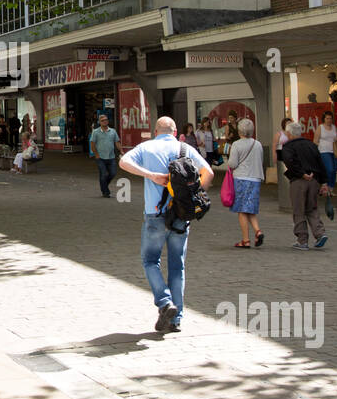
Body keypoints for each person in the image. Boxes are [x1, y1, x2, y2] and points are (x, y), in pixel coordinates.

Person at [118, 117, 214, 333]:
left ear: (155, 131)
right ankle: (175, 319)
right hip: (181, 215)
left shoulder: (147, 147)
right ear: (175, 131)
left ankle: (164, 301)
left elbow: (123, 162)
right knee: (177, 266)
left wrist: (150, 175)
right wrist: (195, 195)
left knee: (150, 261)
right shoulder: (185, 148)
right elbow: (209, 172)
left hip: (155, 214)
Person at [279, 122, 328, 251]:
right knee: (312, 208)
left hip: (299, 181)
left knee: (298, 209)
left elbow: (290, 162)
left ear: (289, 133)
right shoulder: (311, 145)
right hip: (314, 180)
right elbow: (320, 163)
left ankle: (302, 240)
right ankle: (320, 233)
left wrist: (301, 174)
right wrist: (324, 182)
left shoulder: (288, 147)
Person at [228, 118, 265, 248]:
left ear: (239, 131)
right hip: (255, 178)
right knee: (250, 208)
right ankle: (257, 231)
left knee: (242, 210)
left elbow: (232, 163)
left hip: (241, 178)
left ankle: (245, 240)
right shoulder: (258, 144)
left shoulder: (237, 145)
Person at [88, 113, 121, 198]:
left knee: (113, 173)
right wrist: (96, 155)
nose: (105, 122)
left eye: (106, 120)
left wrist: (121, 151)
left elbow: (117, 142)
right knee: (103, 174)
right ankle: (105, 192)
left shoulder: (113, 131)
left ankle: (104, 185)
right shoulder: (95, 132)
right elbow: (92, 144)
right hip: (100, 158)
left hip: (111, 157)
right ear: (99, 122)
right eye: (102, 120)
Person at [316, 110, 337, 195]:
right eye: (327, 118)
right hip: (324, 151)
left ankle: (331, 189)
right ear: (324, 119)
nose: (329, 120)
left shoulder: (333, 127)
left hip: (334, 151)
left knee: (334, 169)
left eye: (330, 118)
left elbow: (335, 137)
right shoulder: (320, 127)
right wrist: (321, 146)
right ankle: (324, 186)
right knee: (329, 169)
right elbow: (315, 140)